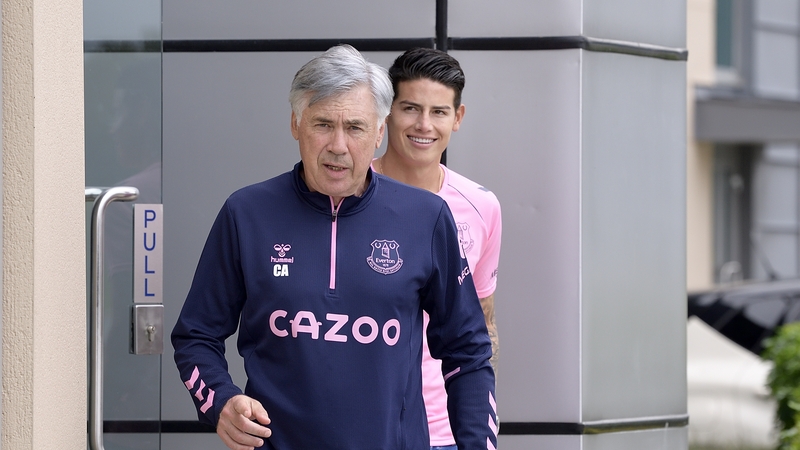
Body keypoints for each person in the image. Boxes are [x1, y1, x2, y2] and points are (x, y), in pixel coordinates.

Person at [171, 44, 498, 450]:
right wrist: (219, 401)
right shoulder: (246, 213)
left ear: (380, 132)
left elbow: (468, 354)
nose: (338, 145)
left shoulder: (426, 218)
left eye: (356, 127)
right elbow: (195, 336)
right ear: (295, 123)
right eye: (323, 124)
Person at [373, 47, 502, 450]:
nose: (424, 125)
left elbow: (482, 326)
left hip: (446, 432)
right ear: (388, 112)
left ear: (457, 118)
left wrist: (478, 432)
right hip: (367, 426)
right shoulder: (350, 196)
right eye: (410, 108)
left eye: (439, 112)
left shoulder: (482, 206)